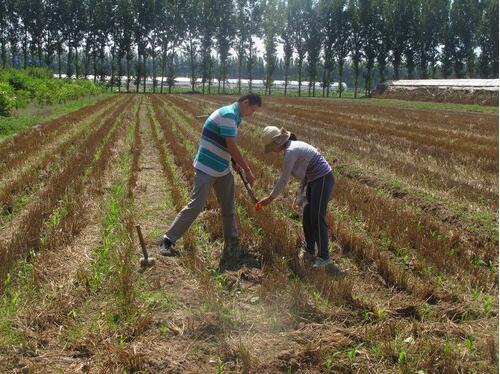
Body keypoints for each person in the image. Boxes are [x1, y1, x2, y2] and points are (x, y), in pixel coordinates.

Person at [159, 93, 261, 266]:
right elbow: (231, 145)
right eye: (252, 109)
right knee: (196, 205)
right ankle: (167, 240)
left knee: (229, 207)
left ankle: (232, 243)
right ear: (245, 102)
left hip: (222, 168)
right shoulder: (228, 115)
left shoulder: (235, 116)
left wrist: (234, 162)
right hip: (207, 167)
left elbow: (224, 143)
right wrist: (247, 170)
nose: (252, 113)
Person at [257, 126, 341, 271]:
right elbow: (303, 173)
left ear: (277, 143)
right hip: (313, 181)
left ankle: (324, 257)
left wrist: (270, 198)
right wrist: (302, 191)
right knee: (307, 216)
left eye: (271, 147)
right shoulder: (290, 149)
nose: (272, 151)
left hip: (322, 179)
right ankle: (309, 249)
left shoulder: (291, 151)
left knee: (317, 217)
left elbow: (283, 179)